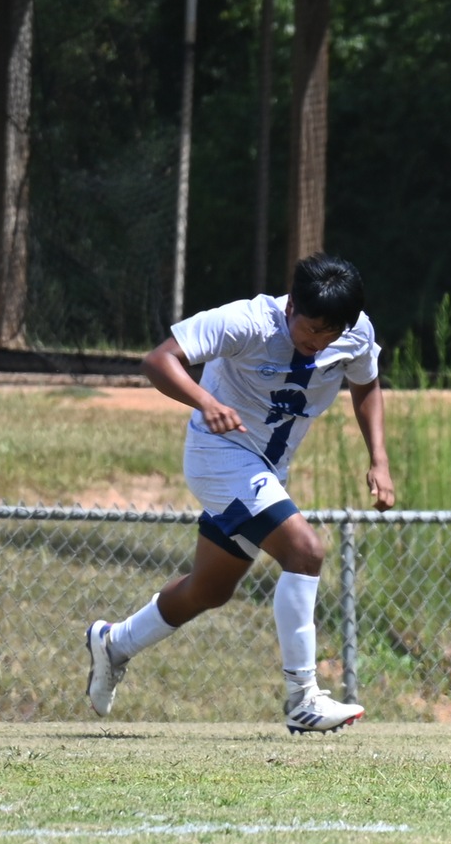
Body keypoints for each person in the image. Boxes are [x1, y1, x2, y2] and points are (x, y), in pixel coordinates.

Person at [84, 253, 393, 733]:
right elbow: (158, 360)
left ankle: (114, 643)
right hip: (219, 456)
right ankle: (302, 697)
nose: (314, 343)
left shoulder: (356, 333)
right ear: (290, 306)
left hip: (266, 470)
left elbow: (366, 383)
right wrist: (207, 402)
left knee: (209, 589)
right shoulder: (247, 321)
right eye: (307, 329)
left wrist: (379, 459)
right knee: (306, 552)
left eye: (326, 335)